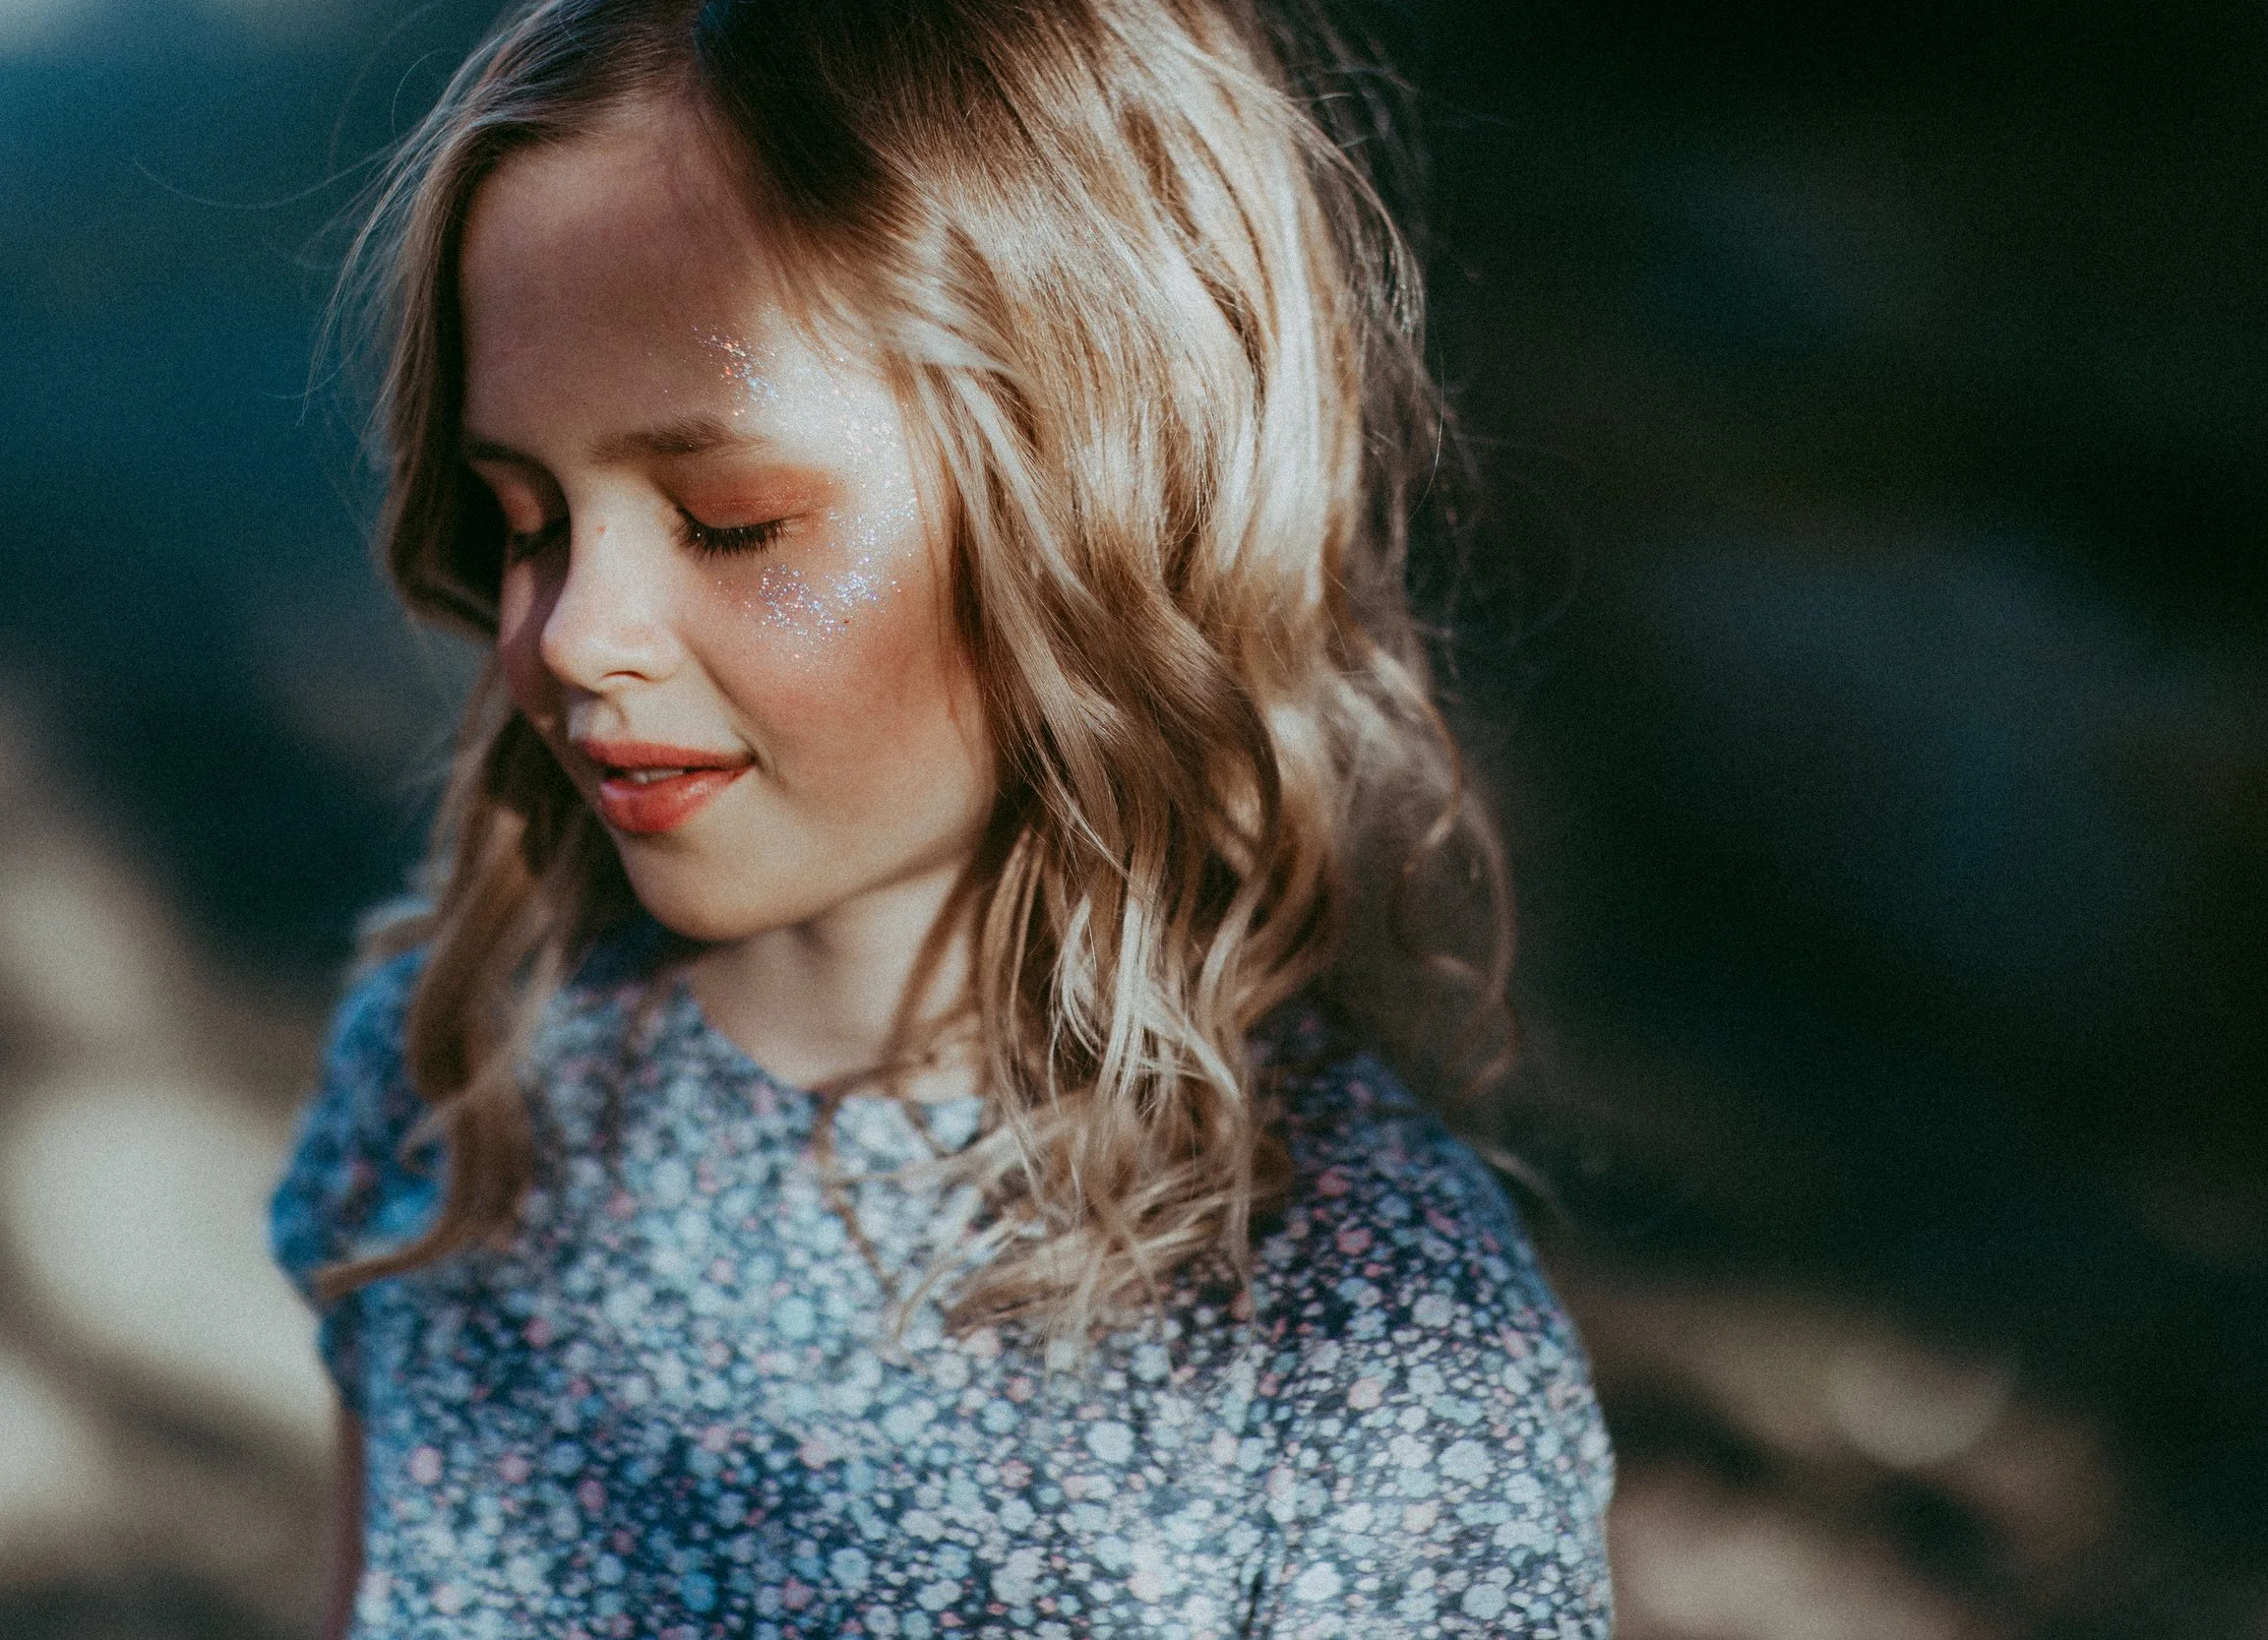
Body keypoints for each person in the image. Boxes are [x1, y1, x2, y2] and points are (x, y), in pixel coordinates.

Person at [269, 0, 1616, 1634]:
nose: (570, 629)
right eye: (527, 517)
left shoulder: (1374, 1363)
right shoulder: (458, 1078)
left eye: (732, 520)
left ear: (1104, 505)